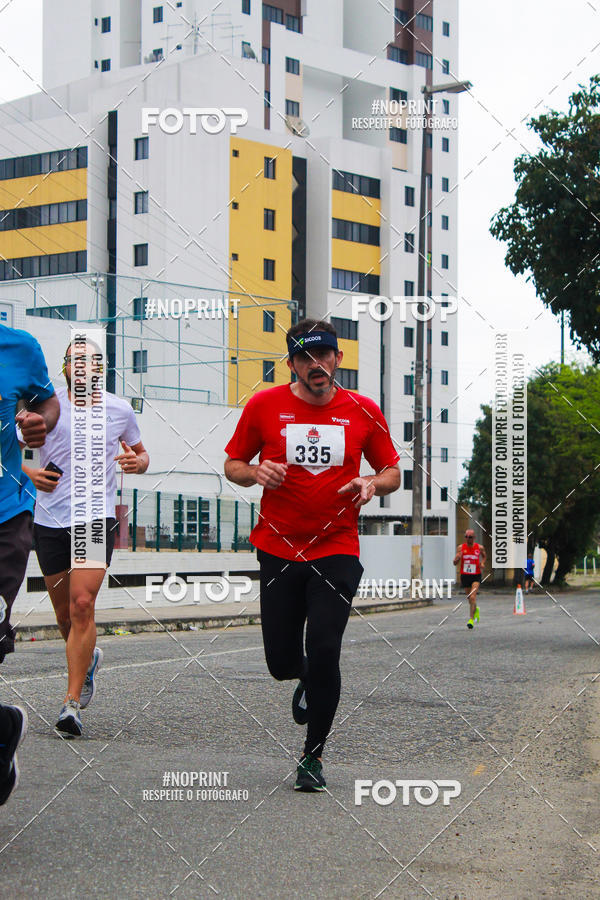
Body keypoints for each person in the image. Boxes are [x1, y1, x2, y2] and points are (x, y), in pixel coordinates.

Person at [224, 319, 400, 792]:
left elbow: (391, 471)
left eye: (323, 355)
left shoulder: (363, 410)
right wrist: (256, 472)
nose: (315, 365)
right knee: (282, 661)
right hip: (278, 547)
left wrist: (370, 482)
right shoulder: (264, 405)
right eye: (305, 358)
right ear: (292, 364)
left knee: (325, 649)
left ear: (337, 359)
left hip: (335, 547)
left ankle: (312, 756)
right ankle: (302, 677)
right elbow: (233, 465)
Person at [21, 339, 149, 737]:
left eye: (90, 362)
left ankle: (71, 704)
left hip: (94, 519)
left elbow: (142, 454)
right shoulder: (44, 408)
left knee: (81, 604)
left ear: (101, 369)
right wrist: (29, 474)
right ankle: (88, 658)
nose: (82, 368)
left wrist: (136, 462)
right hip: (49, 519)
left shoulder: (119, 409)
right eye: (75, 361)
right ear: (63, 368)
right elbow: (12, 453)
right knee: (64, 616)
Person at [0, 321, 59, 804]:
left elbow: (45, 404)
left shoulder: (18, 346)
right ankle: (4, 726)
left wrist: (40, 423)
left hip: (4, 513)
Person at [453, 529, 486, 629]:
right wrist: (457, 558)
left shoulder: (479, 547)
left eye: (470, 537)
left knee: (472, 597)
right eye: (466, 537)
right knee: (469, 599)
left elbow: (484, 556)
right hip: (465, 575)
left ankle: (471, 619)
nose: (468, 539)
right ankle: (476, 610)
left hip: (476, 575)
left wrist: (482, 563)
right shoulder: (461, 548)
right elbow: (454, 563)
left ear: (474, 538)